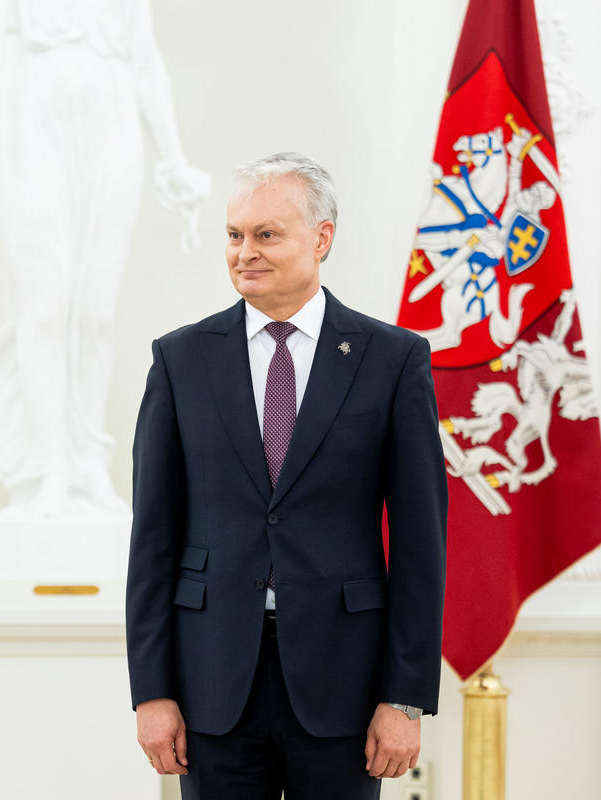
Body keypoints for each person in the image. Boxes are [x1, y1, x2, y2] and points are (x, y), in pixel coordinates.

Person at [125, 153, 448, 799]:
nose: (245, 252)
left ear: (322, 238)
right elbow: (153, 539)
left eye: (266, 234)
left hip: (345, 684)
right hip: (212, 681)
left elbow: (422, 544)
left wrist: (404, 698)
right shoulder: (180, 360)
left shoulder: (392, 360)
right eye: (235, 235)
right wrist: (152, 692)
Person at [0, 0, 210, 517]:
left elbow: (145, 61)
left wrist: (174, 160)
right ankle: (52, 466)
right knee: (44, 309)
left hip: (113, 129)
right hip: (35, 128)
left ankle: (87, 464)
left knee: (96, 312)